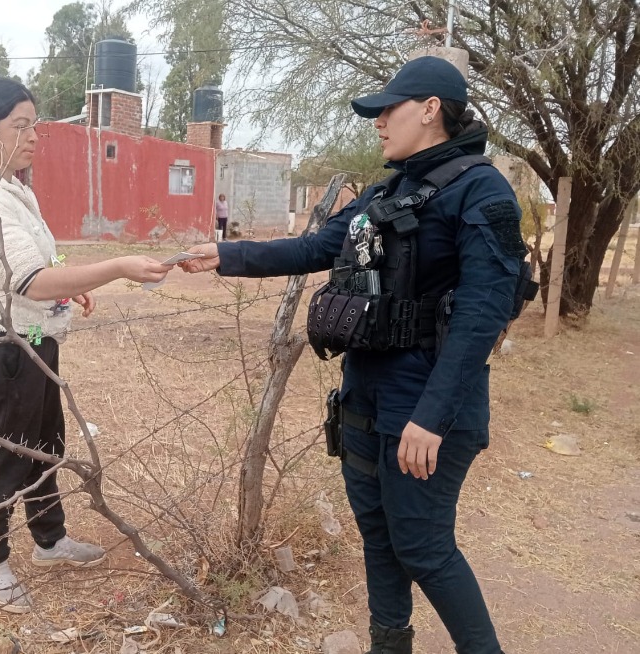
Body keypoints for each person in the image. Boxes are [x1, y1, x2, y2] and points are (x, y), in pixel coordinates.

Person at [180, 56, 523, 654]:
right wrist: (226, 256)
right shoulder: (389, 188)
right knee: (379, 535)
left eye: (388, 110)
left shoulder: (482, 190)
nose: (378, 123)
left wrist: (432, 418)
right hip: (364, 394)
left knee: (423, 545)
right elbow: (317, 246)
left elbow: (481, 317)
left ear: (429, 109)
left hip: (426, 408)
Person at [0, 77, 173, 614]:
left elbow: (45, 264)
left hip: (37, 336)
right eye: (21, 125)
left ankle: (49, 540)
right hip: (5, 346)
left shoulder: (13, 190)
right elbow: (28, 280)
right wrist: (114, 269)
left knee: (46, 444)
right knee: (8, 453)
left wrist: (74, 287)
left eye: (35, 124)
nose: (35, 136)